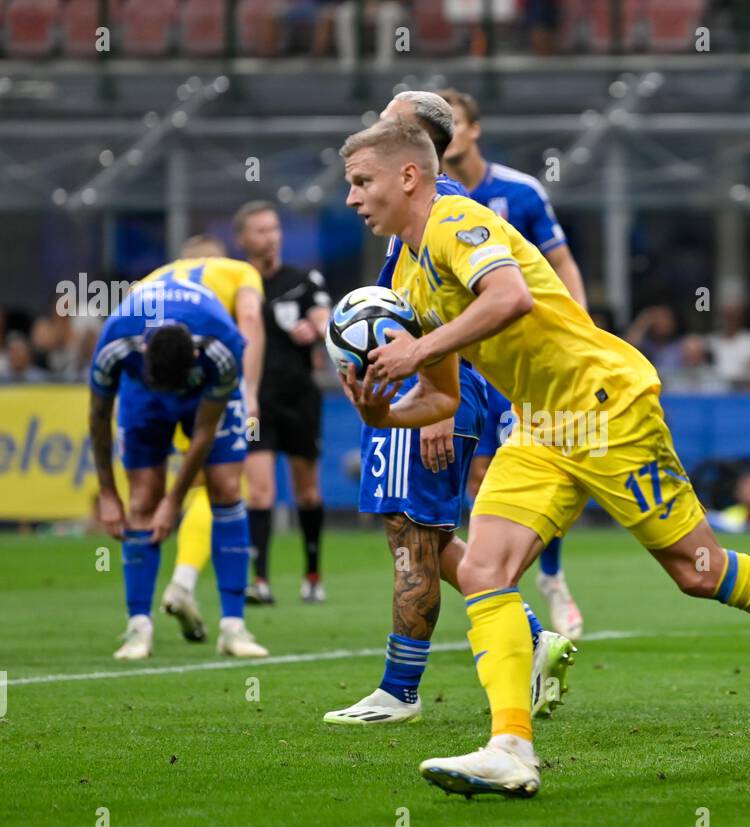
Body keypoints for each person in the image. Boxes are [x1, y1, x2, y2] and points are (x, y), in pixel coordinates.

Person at [340, 118, 750, 798]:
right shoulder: (409, 271)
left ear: (408, 176)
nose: (352, 198)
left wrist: (418, 351)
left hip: (604, 404)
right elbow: (444, 398)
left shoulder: (458, 221)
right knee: (484, 568)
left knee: (698, 571)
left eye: (362, 182)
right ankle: (510, 746)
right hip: (541, 422)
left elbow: (510, 297)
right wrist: (381, 413)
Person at [324, 90, 575, 727]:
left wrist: (439, 408)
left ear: (411, 146)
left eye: (388, 118)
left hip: (439, 393)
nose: (376, 124)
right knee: (426, 539)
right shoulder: (411, 214)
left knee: (413, 533)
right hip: (422, 387)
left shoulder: (447, 211)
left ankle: (399, 690)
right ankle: (531, 636)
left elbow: (455, 312)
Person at [438, 87, 589, 639]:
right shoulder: (430, 203)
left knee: (546, 461)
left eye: (454, 120)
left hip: (526, 361)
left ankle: (550, 578)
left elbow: (561, 262)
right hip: (468, 360)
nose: (447, 130)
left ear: (474, 129)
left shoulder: (518, 192)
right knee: (482, 472)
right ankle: (506, 589)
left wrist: (579, 330)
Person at [88, 262, 266, 660]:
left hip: (201, 395)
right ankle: (138, 627)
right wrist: (106, 493)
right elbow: (98, 417)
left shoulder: (223, 344)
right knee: (141, 501)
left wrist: (176, 500)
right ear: (144, 350)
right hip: (142, 396)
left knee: (225, 486)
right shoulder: (117, 336)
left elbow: (203, 432)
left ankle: (233, 628)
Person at [154, 237, 267, 641]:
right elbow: (250, 320)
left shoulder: (161, 279)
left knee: (194, 486)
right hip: (211, 378)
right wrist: (250, 390)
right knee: (223, 488)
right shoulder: (239, 272)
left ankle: (144, 618)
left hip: (156, 383)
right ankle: (186, 587)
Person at [234, 201, 331, 605]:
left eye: (274, 229)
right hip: (255, 402)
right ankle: (261, 581)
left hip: (299, 398)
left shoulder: (303, 279)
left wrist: (319, 327)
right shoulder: (238, 286)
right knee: (259, 492)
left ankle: (312, 574)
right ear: (243, 239)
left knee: (306, 490)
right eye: (260, 230)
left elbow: (328, 319)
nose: (270, 237)